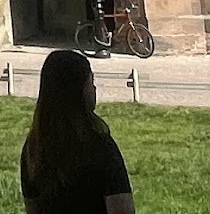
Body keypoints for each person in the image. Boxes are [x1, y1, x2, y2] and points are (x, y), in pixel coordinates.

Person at [21, 47, 134, 214]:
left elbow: (32, 208)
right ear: (78, 91)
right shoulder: (99, 146)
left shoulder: (33, 150)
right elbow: (122, 209)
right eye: (91, 83)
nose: (94, 90)